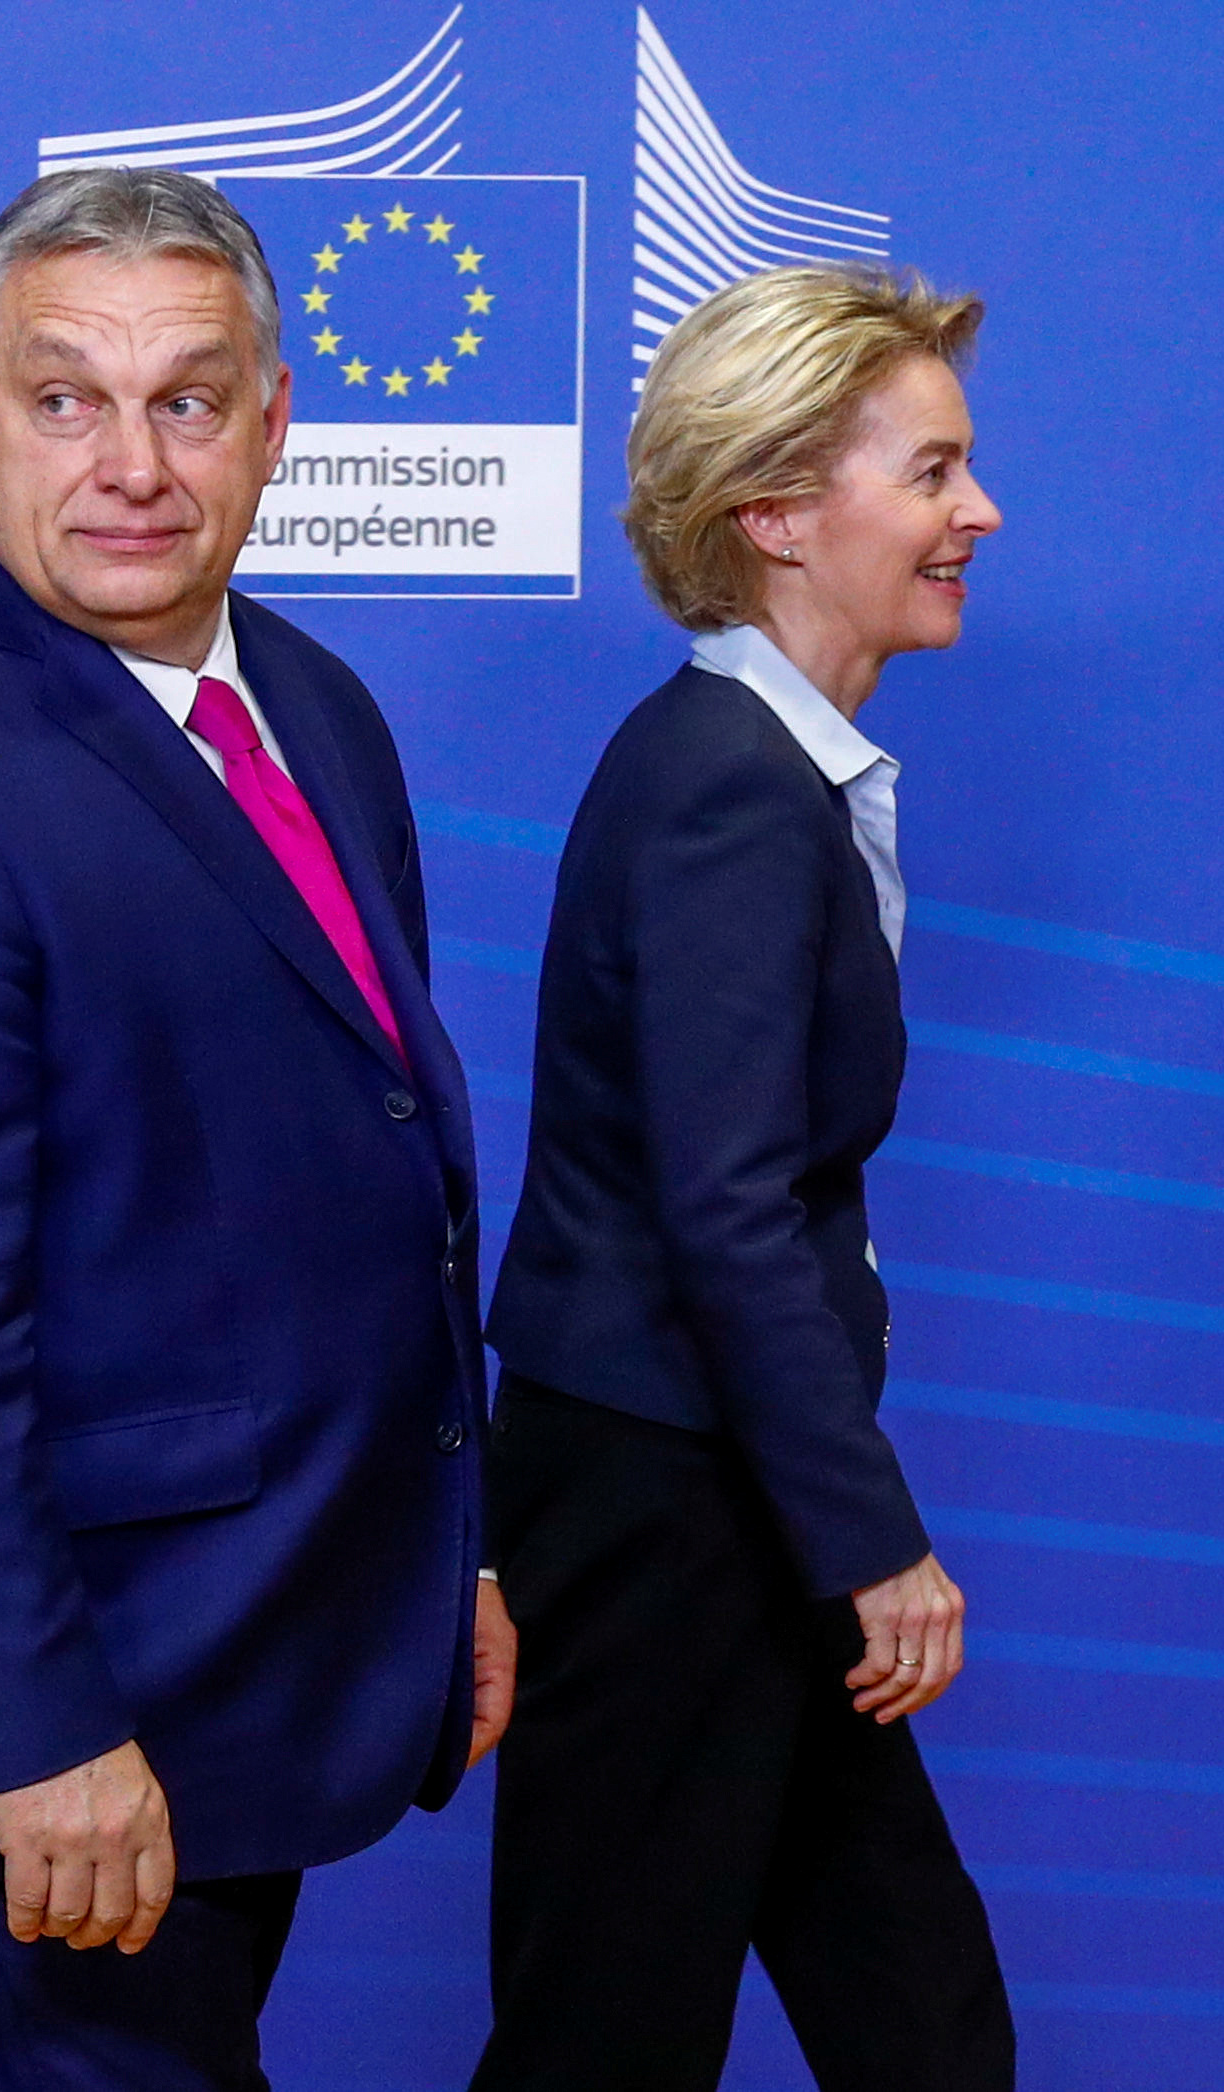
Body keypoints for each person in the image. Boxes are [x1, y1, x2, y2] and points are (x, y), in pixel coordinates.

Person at [0, 165, 511, 2092]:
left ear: (273, 424)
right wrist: (32, 1733)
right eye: (65, 398)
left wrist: (447, 1560)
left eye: (188, 398)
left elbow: (372, 1166)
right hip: (41, 1735)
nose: (130, 463)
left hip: (251, 1668)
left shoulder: (307, 706)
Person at [474, 265, 1013, 2091]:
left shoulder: (760, 767)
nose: (976, 513)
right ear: (775, 513)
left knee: (919, 2020)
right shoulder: (722, 784)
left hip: (728, 1480)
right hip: (662, 1502)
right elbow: (720, 1206)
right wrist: (869, 1540)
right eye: (931, 473)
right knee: (603, 2034)